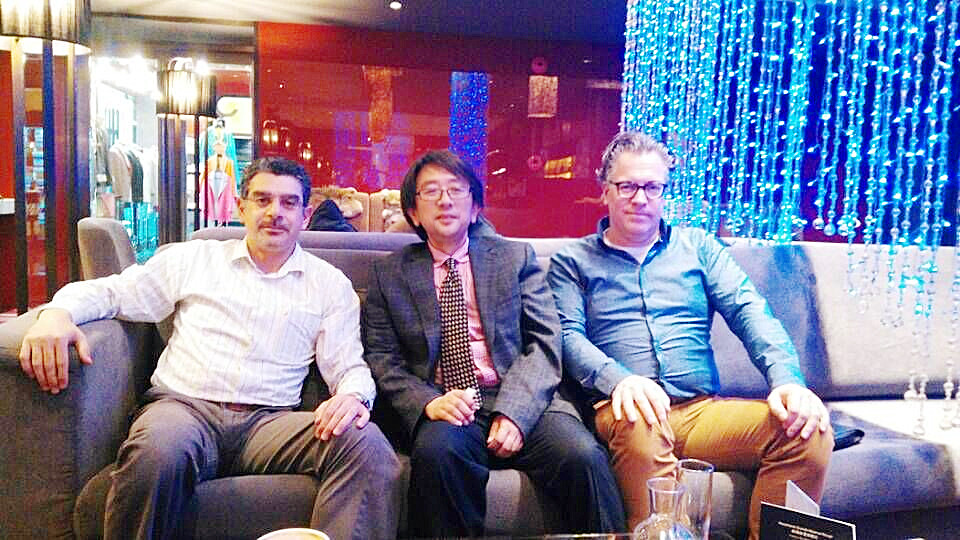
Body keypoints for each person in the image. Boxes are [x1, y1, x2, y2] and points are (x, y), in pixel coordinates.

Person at [18, 157, 401, 540]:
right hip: (185, 410)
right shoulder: (194, 259)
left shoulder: (330, 285)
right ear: (241, 207)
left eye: (288, 203)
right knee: (158, 451)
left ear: (305, 215)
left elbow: (348, 365)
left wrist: (353, 395)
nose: (275, 212)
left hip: (270, 424)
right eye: (262, 199)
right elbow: (112, 292)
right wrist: (58, 314)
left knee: (365, 443)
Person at [547, 131, 833, 540]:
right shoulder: (572, 261)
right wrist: (620, 380)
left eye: (652, 187)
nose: (640, 198)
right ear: (605, 191)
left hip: (701, 412)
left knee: (807, 432)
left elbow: (750, 311)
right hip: (624, 410)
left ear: (665, 193)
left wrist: (788, 380)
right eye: (627, 186)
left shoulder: (698, 247)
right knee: (640, 420)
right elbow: (568, 337)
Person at [362, 150, 625, 537]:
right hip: (446, 402)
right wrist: (428, 402)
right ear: (413, 213)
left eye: (456, 190)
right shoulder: (389, 274)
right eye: (430, 191)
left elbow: (544, 341)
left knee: (583, 456)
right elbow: (382, 359)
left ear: (475, 209)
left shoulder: (514, 258)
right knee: (437, 455)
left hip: (517, 392)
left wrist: (515, 412)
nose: (445, 200)